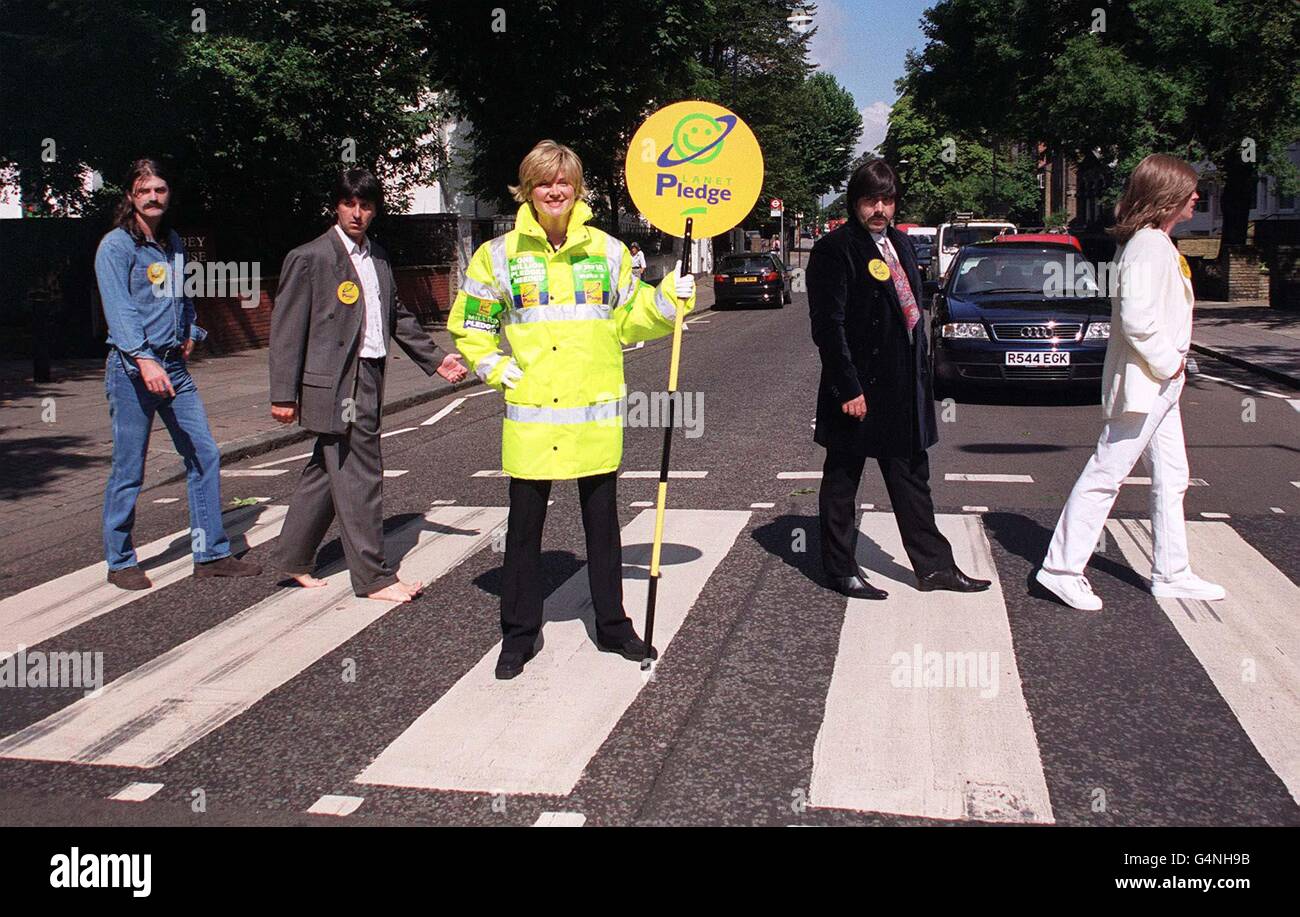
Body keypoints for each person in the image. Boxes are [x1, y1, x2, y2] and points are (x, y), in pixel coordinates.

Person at [449, 140, 696, 679]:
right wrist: (493, 366)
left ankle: (613, 627)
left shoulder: (607, 252)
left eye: (563, 182)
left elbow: (630, 318)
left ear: (577, 188)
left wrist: (666, 298)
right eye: (543, 182)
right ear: (528, 190)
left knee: (603, 532)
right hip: (534, 415)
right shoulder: (498, 256)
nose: (554, 191)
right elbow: (471, 324)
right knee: (523, 533)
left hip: (593, 416)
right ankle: (518, 634)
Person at [269, 168, 468, 603]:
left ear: (374, 209)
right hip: (339, 382)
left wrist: (437, 361)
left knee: (327, 468)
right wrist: (283, 394)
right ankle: (375, 578)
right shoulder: (311, 257)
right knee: (361, 475)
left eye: (365, 206)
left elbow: (395, 315)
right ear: (336, 206)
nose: (356, 213)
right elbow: (286, 330)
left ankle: (293, 559)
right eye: (349, 204)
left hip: (371, 374)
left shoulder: (376, 255)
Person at [1035, 154, 1225, 610]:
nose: (1196, 196)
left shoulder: (1157, 242)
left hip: (1159, 383)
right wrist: (1170, 364)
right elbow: (1138, 319)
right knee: (1106, 472)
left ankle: (1171, 571)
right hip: (1148, 381)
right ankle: (1060, 569)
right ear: (1166, 196)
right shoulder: (1147, 245)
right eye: (1189, 190)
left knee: (1172, 477)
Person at [807, 158, 990, 599]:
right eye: (871, 200)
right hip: (858, 387)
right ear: (855, 202)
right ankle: (839, 568)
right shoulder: (836, 248)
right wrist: (848, 387)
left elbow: (912, 311)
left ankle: (935, 568)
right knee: (843, 478)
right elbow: (827, 327)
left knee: (912, 479)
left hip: (903, 387)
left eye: (887, 200)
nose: (880, 210)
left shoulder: (903, 245)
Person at [95, 158, 261, 590]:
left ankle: (209, 554)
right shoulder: (115, 247)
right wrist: (144, 359)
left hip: (174, 367)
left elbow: (182, 293)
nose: (153, 197)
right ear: (130, 195)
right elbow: (119, 309)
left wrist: (190, 330)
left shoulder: (171, 243)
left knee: (204, 454)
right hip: (132, 370)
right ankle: (120, 559)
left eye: (160, 190)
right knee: (130, 467)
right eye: (144, 190)